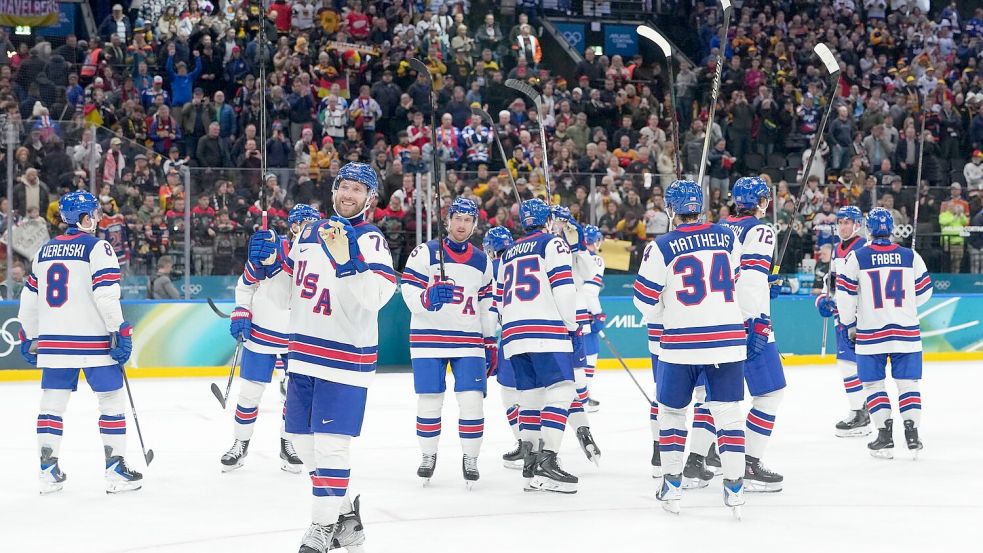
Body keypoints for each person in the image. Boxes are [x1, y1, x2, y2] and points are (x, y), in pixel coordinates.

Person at [248, 162, 396, 552]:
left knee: (331, 445)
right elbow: (286, 295)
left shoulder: (371, 239)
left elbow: (378, 297)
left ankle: (321, 526)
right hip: (303, 353)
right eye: (343, 187)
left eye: (357, 190)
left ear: (370, 199)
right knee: (299, 439)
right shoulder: (310, 231)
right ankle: (345, 516)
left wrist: (350, 264)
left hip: (346, 358)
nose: (348, 195)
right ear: (334, 191)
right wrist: (267, 267)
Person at [633, 180, 748, 517]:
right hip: (728, 341)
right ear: (702, 207)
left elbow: (643, 302)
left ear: (671, 210)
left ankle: (671, 485)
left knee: (671, 413)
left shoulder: (662, 246)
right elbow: (736, 280)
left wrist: (665, 313)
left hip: (681, 344)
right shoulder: (728, 237)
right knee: (728, 414)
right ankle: (736, 488)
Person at [17, 191, 140, 494]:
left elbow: (29, 298)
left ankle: (47, 472)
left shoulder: (43, 251)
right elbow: (106, 295)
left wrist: (29, 335)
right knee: (111, 400)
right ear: (84, 219)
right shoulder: (99, 247)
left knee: (51, 406)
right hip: (94, 343)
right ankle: (115, 471)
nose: (98, 218)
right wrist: (120, 329)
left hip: (54, 343)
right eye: (95, 213)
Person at [398, 198, 495, 488]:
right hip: (428, 339)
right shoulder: (425, 253)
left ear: (475, 224)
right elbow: (408, 289)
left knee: (472, 402)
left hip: (469, 341)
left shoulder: (483, 260)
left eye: (468, 220)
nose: (461, 225)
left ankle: (471, 459)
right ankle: (428, 456)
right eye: (457, 218)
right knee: (430, 401)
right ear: (448, 221)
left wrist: (490, 340)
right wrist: (426, 299)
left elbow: (487, 303)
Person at [219, 204, 321, 474]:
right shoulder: (271, 246)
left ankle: (289, 445)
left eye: (313, 225)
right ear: (294, 226)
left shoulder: (322, 256)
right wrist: (242, 310)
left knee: (294, 396)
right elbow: (246, 284)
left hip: (298, 335)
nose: (308, 230)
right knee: (250, 392)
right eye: (303, 225)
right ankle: (240, 443)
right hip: (263, 331)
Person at [496, 198, 581, 493]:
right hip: (545, 328)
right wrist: (570, 325)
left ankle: (530, 465)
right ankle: (548, 460)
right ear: (547, 220)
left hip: (513, 333)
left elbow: (498, 302)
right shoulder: (553, 243)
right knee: (562, 390)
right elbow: (564, 288)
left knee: (530, 399)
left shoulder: (508, 253)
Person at [837, 208, 932, 460]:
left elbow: (845, 298)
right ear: (892, 229)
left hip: (871, 333)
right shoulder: (910, 256)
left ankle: (884, 436)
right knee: (908, 385)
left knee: (873, 385)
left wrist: (849, 323)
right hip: (906, 332)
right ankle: (912, 436)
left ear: (868, 229)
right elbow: (924, 294)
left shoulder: (858, 257)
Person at [718, 176, 786, 493]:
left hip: (715, 321)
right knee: (770, 392)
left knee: (717, 397)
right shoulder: (759, 229)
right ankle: (748, 461)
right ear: (761, 202)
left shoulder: (718, 227)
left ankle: (705, 454)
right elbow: (750, 279)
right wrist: (754, 320)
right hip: (745, 321)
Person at [550, 206, 601, 465]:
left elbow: (590, 272)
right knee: (548, 386)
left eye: (564, 222)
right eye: (557, 221)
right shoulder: (544, 245)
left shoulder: (574, 251)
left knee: (574, 376)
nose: (560, 226)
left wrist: (579, 246)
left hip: (570, 319)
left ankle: (582, 427)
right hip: (547, 320)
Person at [815, 206, 871, 437]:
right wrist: (824, 298)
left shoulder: (864, 247)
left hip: (859, 316)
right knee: (849, 364)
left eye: (848, 222)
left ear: (857, 224)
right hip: (844, 314)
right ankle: (863, 409)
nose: (844, 226)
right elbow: (834, 282)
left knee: (850, 364)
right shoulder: (838, 248)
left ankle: (861, 412)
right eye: (841, 222)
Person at [482, 226, 525, 469]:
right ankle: (545, 448)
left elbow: (491, 310)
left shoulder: (492, 268)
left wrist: (489, 339)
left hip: (510, 336)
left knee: (509, 394)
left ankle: (525, 444)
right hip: (537, 335)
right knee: (535, 394)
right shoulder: (524, 260)